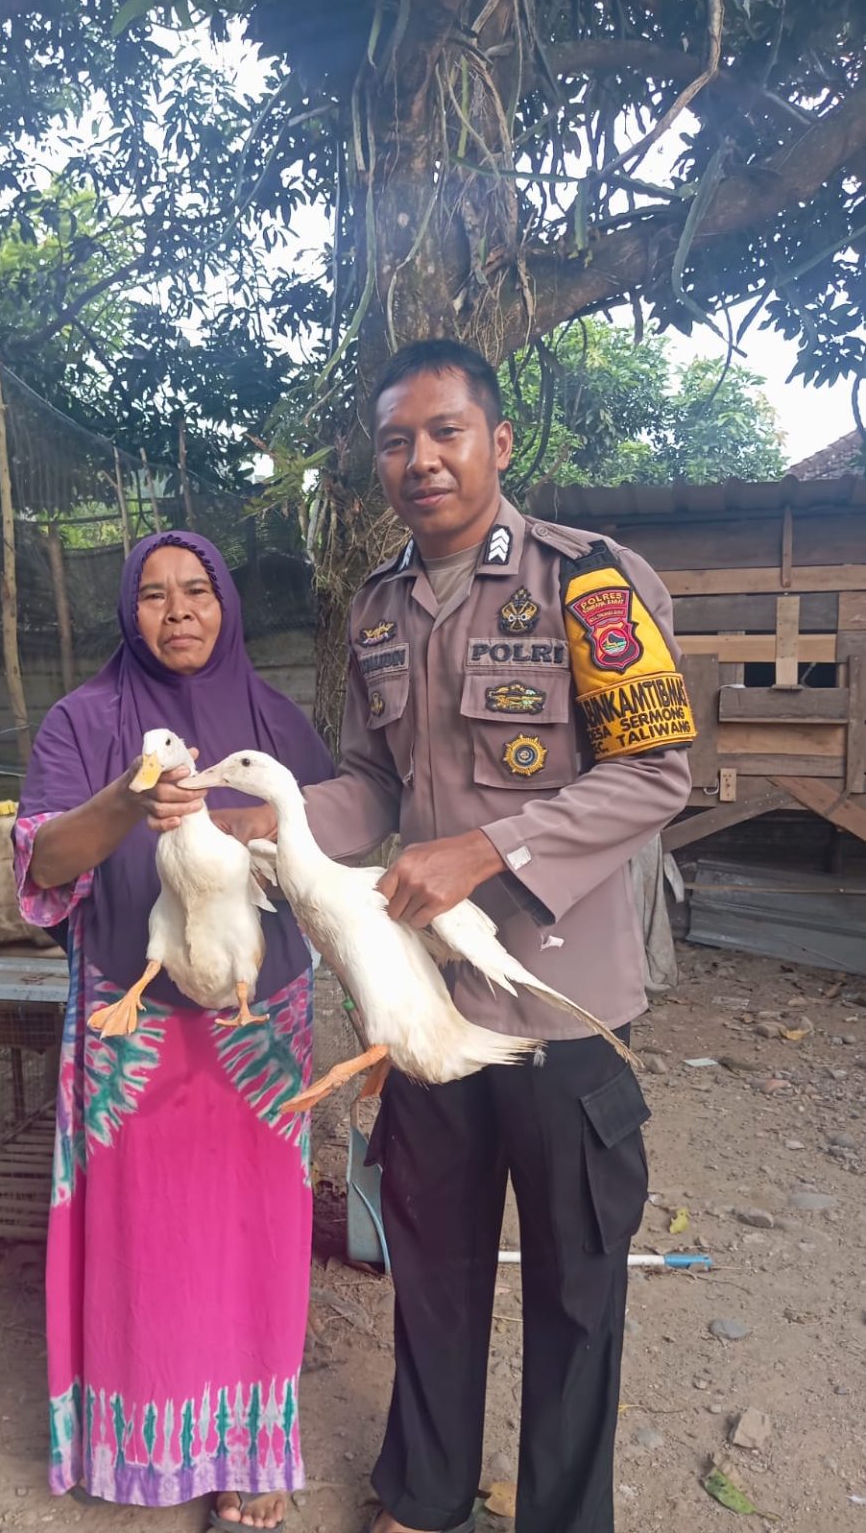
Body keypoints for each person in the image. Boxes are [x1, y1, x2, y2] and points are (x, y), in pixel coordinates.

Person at [297, 340, 695, 1533]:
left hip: (560, 1008)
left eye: (444, 432)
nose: (419, 460)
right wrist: (263, 819)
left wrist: (488, 848)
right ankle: (423, 1492)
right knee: (431, 1267)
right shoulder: (373, 609)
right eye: (395, 440)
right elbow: (369, 781)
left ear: (496, 442)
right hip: (430, 1014)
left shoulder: (590, 583)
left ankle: (563, 1521)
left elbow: (654, 772)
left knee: (576, 1288)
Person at [13, 531, 332, 1524]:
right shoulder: (82, 721)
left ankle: (249, 1453)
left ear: (227, 604)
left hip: (254, 1027)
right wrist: (127, 796)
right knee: (143, 1242)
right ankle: (136, 1442)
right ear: (128, 612)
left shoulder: (275, 724)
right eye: (153, 595)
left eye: (197, 590)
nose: (178, 610)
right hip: (131, 1018)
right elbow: (45, 861)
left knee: (254, 1238)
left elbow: (329, 849)